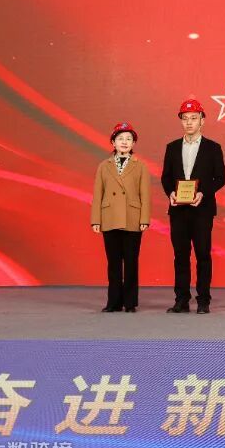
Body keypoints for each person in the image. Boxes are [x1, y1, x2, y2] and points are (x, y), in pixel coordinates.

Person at [160, 99, 225, 314]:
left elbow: (220, 178)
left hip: (202, 210)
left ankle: (203, 300)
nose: (189, 122)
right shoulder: (172, 147)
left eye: (194, 118)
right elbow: (166, 177)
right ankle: (181, 300)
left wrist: (203, 192)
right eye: (185, 119)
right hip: (178, 210)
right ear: (181, 121)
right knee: (180, 255)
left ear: (202, 121)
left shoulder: (213, 148)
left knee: (203, 255)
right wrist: (170, 192)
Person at [90, 122, 150, 313]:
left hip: (132, 218)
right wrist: (96, 220)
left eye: (129, 139)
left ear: (133, 143)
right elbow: (97, 194)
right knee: (113, 263)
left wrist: (144, 219)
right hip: (110, 218)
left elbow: (145, 194)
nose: (124, 142)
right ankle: (114, 302)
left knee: (131, 262)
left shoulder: (140, 166)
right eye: (120, 138)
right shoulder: (103, 166)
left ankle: (130, 302)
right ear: (113, 142)